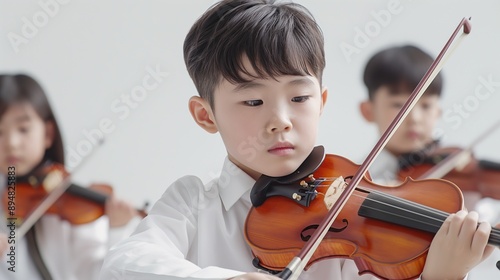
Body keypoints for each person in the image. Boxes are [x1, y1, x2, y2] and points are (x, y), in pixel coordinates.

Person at [100, 1, 497, 279]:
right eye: (253, 100)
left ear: (321, 102)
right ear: (206, 115)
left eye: (300, 98)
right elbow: (122, 265)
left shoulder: (349, 220)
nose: (281, 121)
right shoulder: (192, 204)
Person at [359, 44, 500, 279]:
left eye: (425, 105)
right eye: (399, 105)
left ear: (438, 112)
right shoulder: (357, 179)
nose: (414, 118)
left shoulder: (462, 179)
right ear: (368, 110)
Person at [0, 73, 143, 280]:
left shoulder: (72, 207)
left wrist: (116, 231)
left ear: (48, 134)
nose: (11, 142)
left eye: (23, 129)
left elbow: (97, 276)